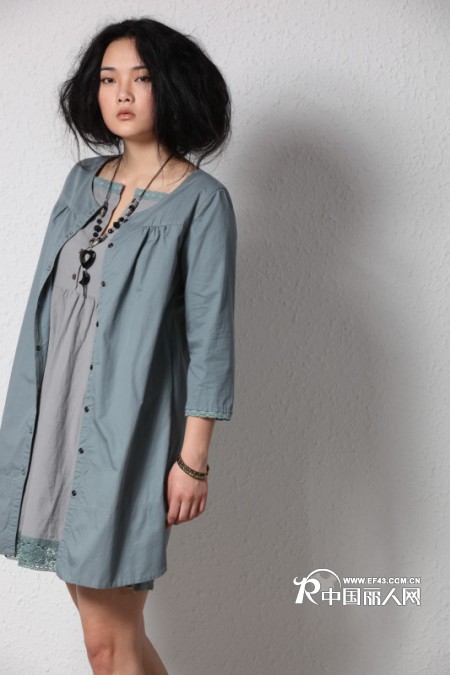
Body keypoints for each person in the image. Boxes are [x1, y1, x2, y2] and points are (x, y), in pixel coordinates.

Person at [0, 17, 237, 675]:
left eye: (141, 77)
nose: (122, 93)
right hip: (53, 425)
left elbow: (210, 338)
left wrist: (193, 460)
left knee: (110, 644)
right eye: (108, 79)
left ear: (174, 88)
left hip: (126, 435)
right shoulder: (82, 182)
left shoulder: (202, 202)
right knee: (110, 640)